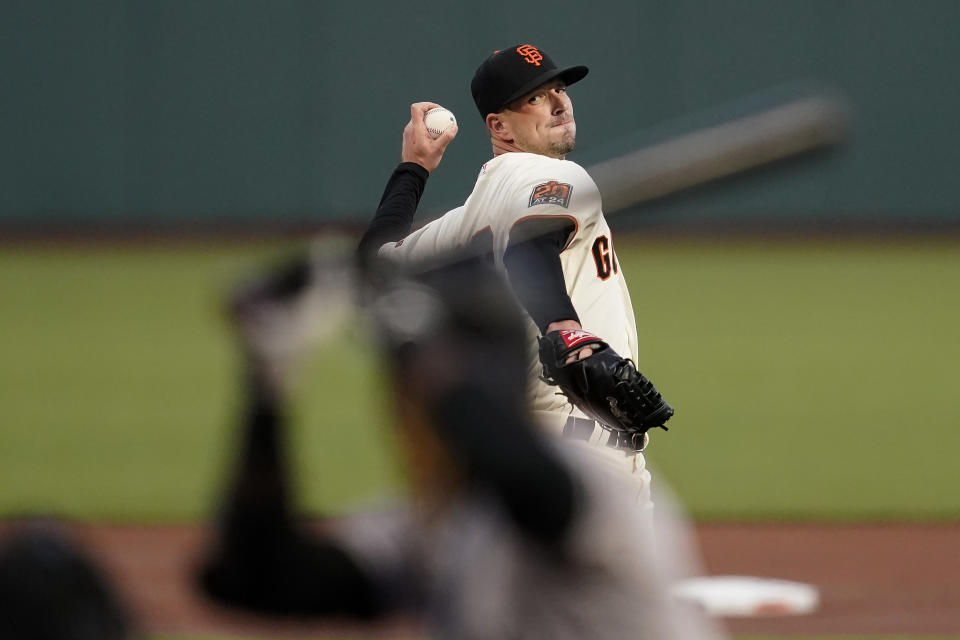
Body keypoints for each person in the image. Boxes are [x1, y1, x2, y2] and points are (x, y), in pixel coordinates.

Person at [197, 249, 719, 640]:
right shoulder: (429, 529)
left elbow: (514, 471)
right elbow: (256, 578)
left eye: (411, 390)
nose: (400, 413)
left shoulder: (591, 489)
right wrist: (267, 389)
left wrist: (412, 332)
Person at [357, 44, 666, 510]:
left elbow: (373, 263)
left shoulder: (470, 218)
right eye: (537, 97)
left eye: (560, 89)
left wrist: (414, 167)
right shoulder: (544, 174)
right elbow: (534, 240)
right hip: (584, 465)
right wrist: (565, 331)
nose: (561, 102)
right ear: (499, 126)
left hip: (511, 452)